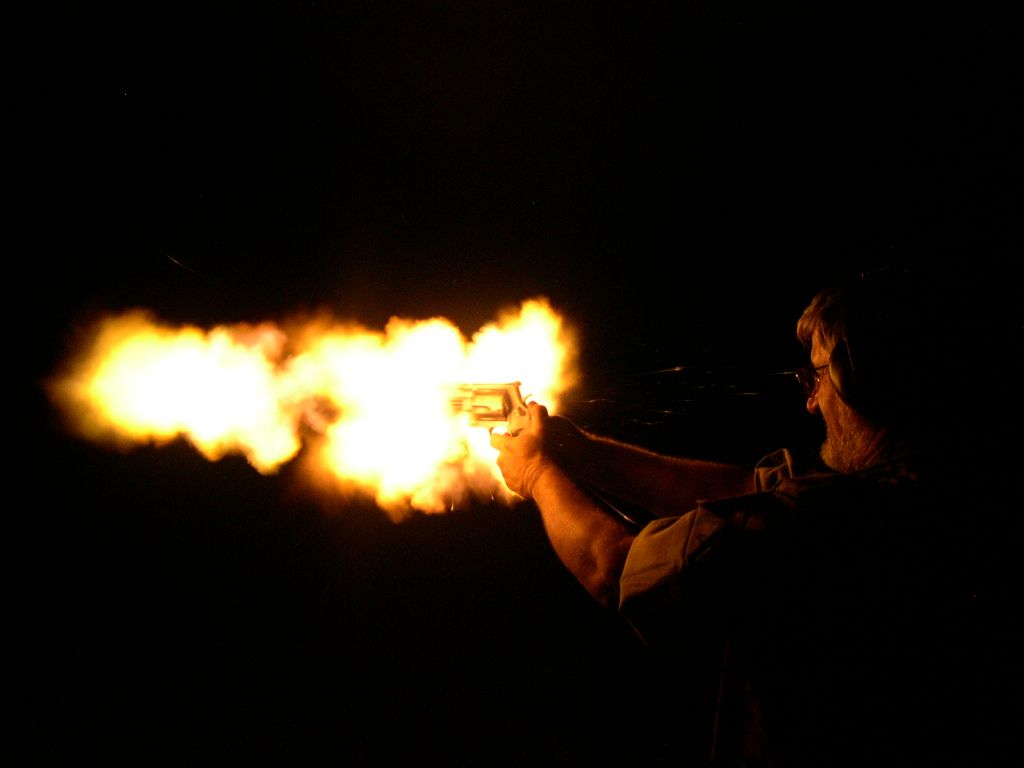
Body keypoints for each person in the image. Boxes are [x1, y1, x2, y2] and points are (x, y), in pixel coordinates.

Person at [490, 265, 1013, 766]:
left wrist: (537, 474)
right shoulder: (928, 491)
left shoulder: (831, 521)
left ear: (865, 379)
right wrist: (577, 451)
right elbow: (742, 490)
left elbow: (613, 568)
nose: (811, 402)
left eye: (819, 373)